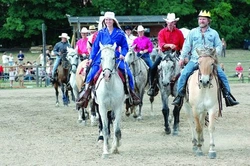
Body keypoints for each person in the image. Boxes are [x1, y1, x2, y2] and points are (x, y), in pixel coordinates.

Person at [172, 10, 239, 107]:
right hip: (195, 60)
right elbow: (186, 46)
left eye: (204, 19)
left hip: (209, 61)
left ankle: (228, 96)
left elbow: (219, 46)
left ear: (208, 21)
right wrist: (182, 58)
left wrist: (214, 52)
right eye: (200, 19)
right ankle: (179, 96)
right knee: (184, 74)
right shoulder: (193, 32)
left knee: (222, 75)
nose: (201, 21)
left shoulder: (214, 33)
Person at [77, 11, 140, 106]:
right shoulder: (101, 33)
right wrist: (91, 59)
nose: (108, 21)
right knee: (91, 72)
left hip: (116, 56)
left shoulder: (119, 33)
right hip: (101, 56)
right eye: (106, 19)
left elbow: (125, 46)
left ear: (114, 21)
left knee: (128, 72)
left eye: (110, 19)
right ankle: (86, 93)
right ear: (104, 21)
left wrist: (123, 54)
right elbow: (95, 47)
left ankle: (131, 93)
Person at [147, 13, 184, 96]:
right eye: (169, 22)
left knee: (185, 69)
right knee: (153, 68)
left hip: (176, 54)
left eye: (172, 22)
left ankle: (184, 88)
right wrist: (169, 45)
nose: (170, 24)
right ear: (167, 22)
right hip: (164, 54)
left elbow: (183, 46)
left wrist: (183, 56)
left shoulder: (179, 33)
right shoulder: (162, 32)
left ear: (175, 22)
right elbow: (161, 44)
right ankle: (152, 87)